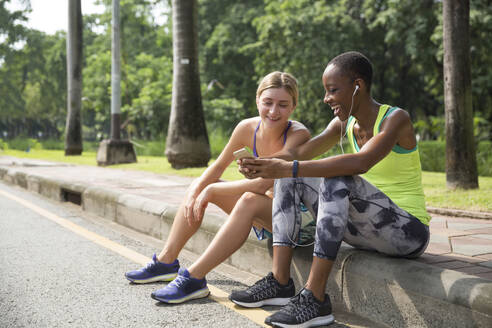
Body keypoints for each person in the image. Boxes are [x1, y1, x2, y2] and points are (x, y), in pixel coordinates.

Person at [231, 51, 431, 328]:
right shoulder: (344, 123)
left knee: (337, 177)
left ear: (357, 86)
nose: (326, 98)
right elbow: (300, 154)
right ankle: (279, 282)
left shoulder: (395, 119)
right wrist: (264, 166)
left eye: (333, 90)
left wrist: (289, 167)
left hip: (408, 232)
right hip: (366, 229)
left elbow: (361, 162)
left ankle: (315, 298)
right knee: (289, 178)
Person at [125, 71, 310, 304]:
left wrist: (211, 191)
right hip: (267, 214)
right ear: (257, 100)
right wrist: (196, 189)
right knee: (204, 184)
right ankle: (165, 262)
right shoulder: (246, 128)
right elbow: (218, 166)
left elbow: (265, 183)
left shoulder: (299, 135)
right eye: (268, 103)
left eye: (283, 105)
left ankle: (193, 278)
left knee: (246, 199)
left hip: (296, 221)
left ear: (293, 106)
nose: (274, 111)